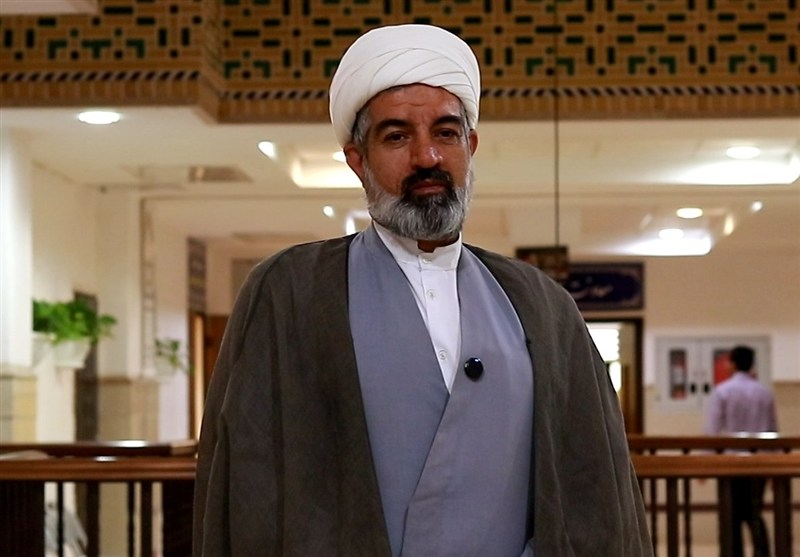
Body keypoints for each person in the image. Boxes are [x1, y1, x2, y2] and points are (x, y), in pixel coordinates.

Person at [193, 23, 652, 557]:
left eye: (446, 133)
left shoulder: (542, 305)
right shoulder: (289, 292)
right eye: (396, 136)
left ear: (470, 146)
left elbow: (592, 487)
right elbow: (249, 482)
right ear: (357, 159)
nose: (427, 157)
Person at [705, 345, 778, 557]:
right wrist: (774, 464)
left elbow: (712, 429)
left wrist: (706, 459)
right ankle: (762, 553)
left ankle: (732, 553)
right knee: (754, 514)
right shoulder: (764, 393)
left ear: (732, 364)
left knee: (731, 517)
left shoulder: (723, 391)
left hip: (731, 463)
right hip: (759, 463)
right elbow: (773, 429)